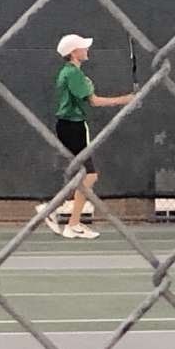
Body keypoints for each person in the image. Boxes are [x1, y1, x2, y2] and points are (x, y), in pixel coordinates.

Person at [36, 34, 134, 239]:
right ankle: (58, 214)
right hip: (73, 127)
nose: (86, 50)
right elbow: (94, 101)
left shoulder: (73, 73)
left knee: (86, 175)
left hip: (73, 126)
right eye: (83, 47)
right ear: (74, 53)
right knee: (89, 175)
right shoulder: (72, 74)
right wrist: (126, 100)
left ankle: (70, 221)